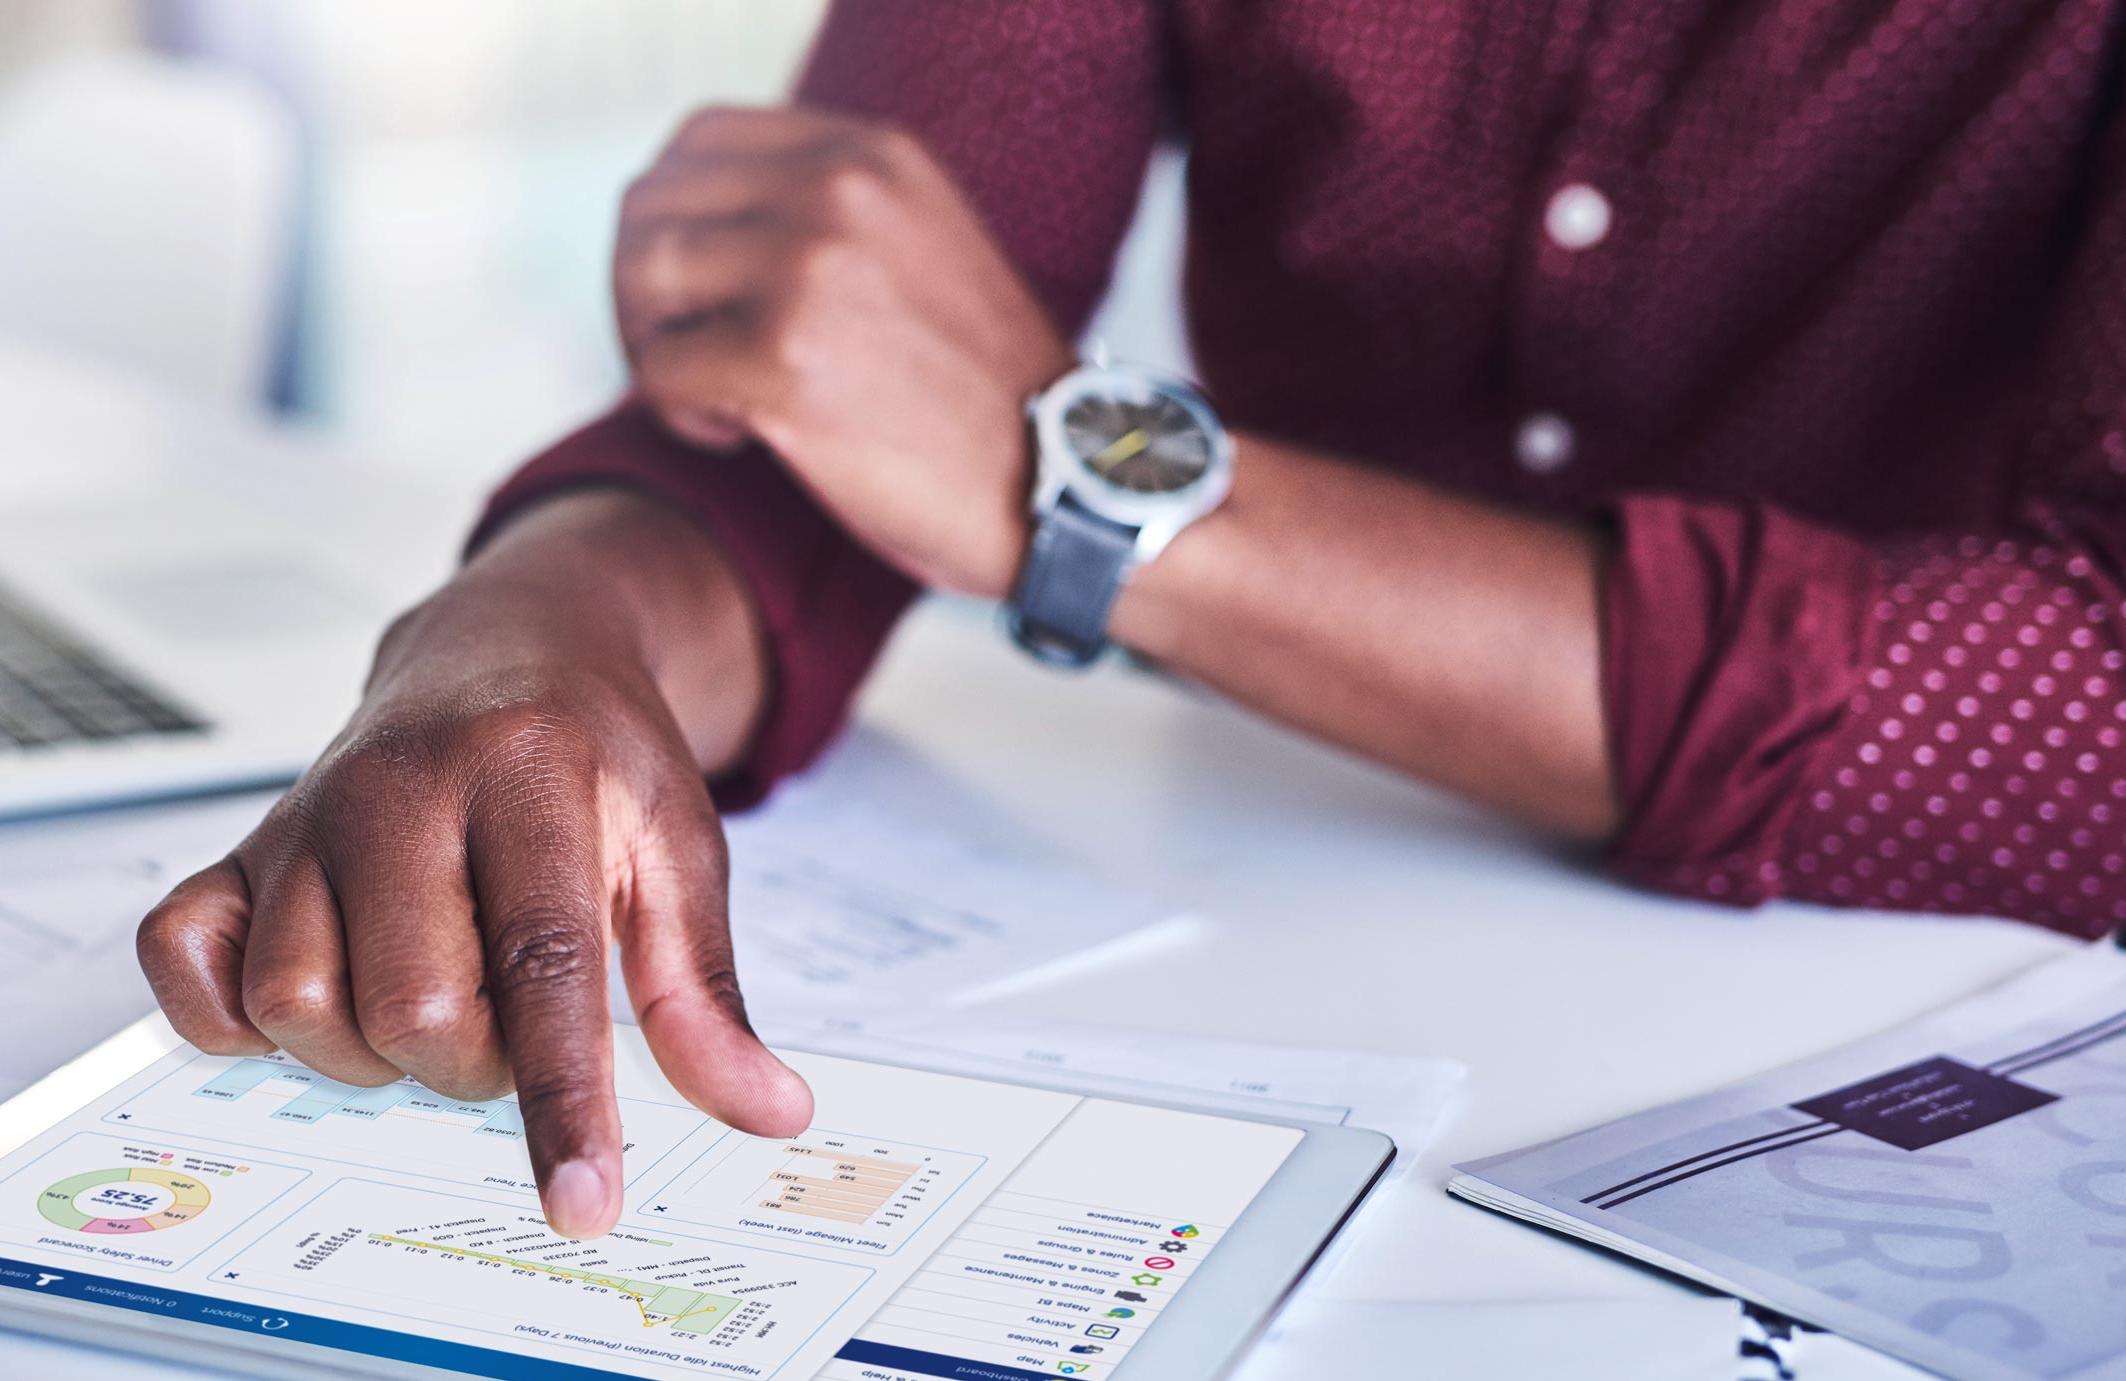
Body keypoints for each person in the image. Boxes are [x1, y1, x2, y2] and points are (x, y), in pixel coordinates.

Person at [142, 0, 2126, 1236]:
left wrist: (1087, 501)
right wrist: (523, 634)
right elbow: (843, 366)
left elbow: (2098, 699)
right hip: (1266, 927)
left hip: (1908, 1059)